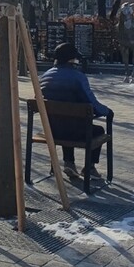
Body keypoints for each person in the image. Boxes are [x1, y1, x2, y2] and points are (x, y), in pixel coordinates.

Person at [39, 42, 113, 180]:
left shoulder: (46, 76)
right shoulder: (77, 77)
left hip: (52, 130)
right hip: (75, 132)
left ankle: (69, 162)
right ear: (72, 59)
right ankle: (89, 167)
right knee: (98, 130)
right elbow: (92, 103)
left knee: (64, 122)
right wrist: (107, 112)